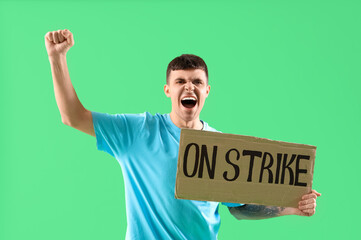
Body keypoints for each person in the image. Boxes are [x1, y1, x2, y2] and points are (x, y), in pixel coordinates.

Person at [45, 29, 321, 240]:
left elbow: (240, 207)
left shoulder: (222, 148)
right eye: (180, 81)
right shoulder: (136, 131)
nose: (189, 87)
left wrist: (291, 206)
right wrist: (57, 58)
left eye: (197, 82)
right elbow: (73, 116)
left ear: (207, 91)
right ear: (168, 90)